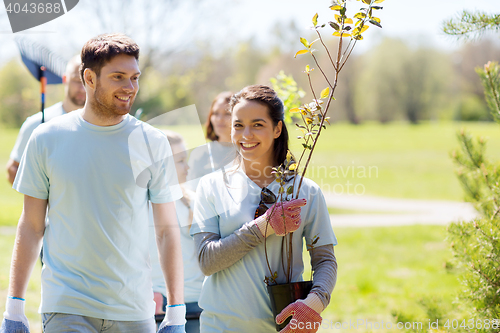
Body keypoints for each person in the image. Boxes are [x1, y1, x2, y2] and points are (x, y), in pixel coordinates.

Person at [1, 33, 186, 333]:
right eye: (118, 77)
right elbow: (31, 226)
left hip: (133, 310)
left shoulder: (152, 142)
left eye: (135, 78)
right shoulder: (46, 139)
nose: (130, 88)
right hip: (66, 307)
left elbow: (166, 229)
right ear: (89, 77)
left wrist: (176, 311)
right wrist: (14, 307)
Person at [190, 85, 338, 332]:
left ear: (277, 128)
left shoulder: (305, 191)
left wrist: (313, 303)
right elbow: (206, 261)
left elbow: (325, 260)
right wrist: (263, 226)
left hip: (283, 328)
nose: (246, 134)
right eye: (238, 125)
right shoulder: (211, 185)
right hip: (221, 326)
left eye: (257, 124)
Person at [150, 130, 203, 333]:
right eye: (180, 160)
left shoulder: (194, 202)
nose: (187, 167)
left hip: (195, 304)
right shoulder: (142, 205)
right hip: (156, 304)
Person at [5, 55, 86, 185]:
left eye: (87, 81)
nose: (82, 88)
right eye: (76, 80)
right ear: (65, 79)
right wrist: (40, 194)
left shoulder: (101, 125)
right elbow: (13, 169)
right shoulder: (37, 123)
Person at [186, 91, 237, 190]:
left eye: (227, 113)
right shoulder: (199, 154)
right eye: (215, 113)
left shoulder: (248, 153)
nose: (219, 119)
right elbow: (191, 192)